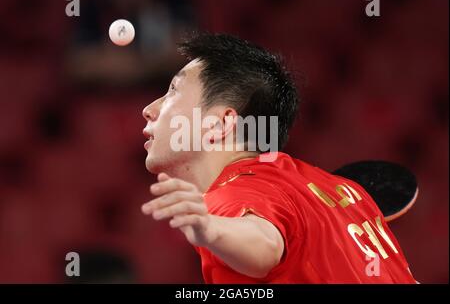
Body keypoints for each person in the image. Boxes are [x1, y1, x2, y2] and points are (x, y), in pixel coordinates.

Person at [141, 33, 416, 283]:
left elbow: (264, 244)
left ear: (220, 124)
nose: (149, 109)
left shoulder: (237, 191)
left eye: (173, 91)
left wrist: (211, 227)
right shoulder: (346, 191)